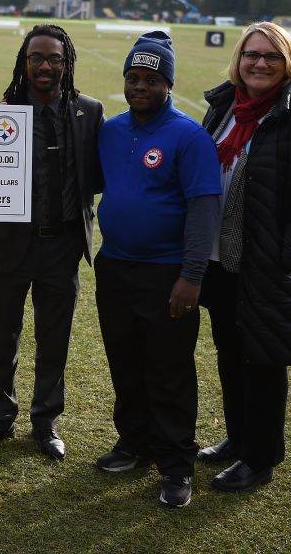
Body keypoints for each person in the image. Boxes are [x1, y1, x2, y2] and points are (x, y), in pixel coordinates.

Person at [195, 21, 291, 493]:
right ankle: (238, 439)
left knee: (262, 360)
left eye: (271, 57)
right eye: (251, 55)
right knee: (230, 354)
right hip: (221, 261)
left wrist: (281, 257)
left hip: (267, 265)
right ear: (238, 59)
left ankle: (260, 457)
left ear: (289, 63)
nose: (259, 64)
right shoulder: (223, 109)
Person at [93, 32, 221, 508]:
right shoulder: (112, 130)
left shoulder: (188, 137)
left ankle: (176, 465)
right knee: (125, 362)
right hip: (115, 268)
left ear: (168, 83)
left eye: (150, 79)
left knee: (168, 371)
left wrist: (191, 276)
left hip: (167, 274)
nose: (139, 86)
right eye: (132, 77)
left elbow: (203, 210)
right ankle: (134, 444)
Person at [0, 25, 103, 461]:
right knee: (3, 338)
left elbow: (98, 177)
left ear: (67, 63)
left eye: (54, 59)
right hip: (11, 244)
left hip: (62, 246)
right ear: (23, 63)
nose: (45, 66)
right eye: (36, 58)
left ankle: (45, 421)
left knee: (54, 338)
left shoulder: (90, 112)